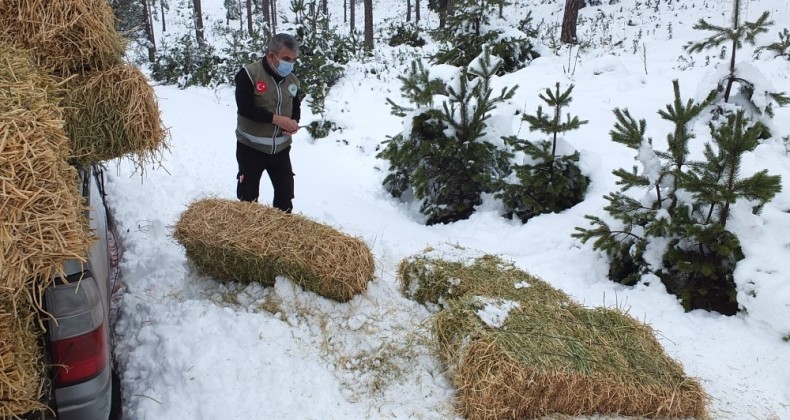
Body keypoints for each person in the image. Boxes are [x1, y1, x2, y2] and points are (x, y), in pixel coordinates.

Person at [234, 33, 302, 212]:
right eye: (286, 58)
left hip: (281, 150)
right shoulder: (249, 74)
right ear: (271, 55)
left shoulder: (293, 81)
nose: (290, 64)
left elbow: (296, 107)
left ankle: (282, 236)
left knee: (285, 199)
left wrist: (293, 124)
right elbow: (245, 108)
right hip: (250, 148)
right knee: (248, 198)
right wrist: (277, 120)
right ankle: (246, 236)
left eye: (294, 60)